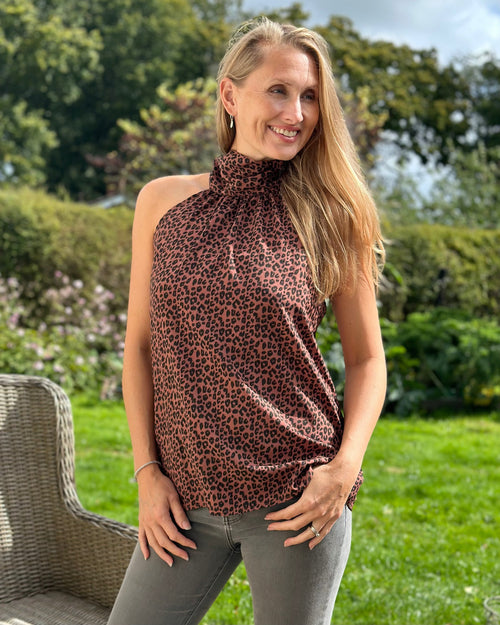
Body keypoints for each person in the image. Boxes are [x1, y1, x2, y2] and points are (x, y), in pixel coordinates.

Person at [107, 17, 386, 625]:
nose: (296, 112)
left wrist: (343, 471)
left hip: (296, 498)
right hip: (182, 500)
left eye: (309, 96)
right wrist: (147, 473)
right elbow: (140, 347)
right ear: (230, 96)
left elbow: (367, 359)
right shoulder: (162, 202)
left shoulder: (333, 216)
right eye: (278, 90)